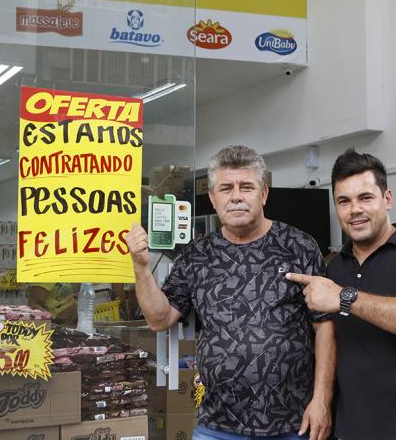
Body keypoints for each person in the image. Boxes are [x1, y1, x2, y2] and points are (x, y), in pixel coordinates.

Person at [125, 145, 335, 440]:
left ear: (263, 194)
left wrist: (322, 400)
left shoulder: (299, 246)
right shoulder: (197, 255)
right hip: (217, 426)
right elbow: (160, 319)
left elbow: (324, 327)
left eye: (246, 187)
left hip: (293, 424)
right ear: (213, 198)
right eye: (226, 188)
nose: (236, 196)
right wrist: (141, 267)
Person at [287, 148, 396, 440]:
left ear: (387, 199)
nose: (355, 210)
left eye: (365, 198)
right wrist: (321, 400)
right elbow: (329, 342)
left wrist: (344, 298)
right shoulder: (334, 267)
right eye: (344, 201)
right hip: (351, 429)